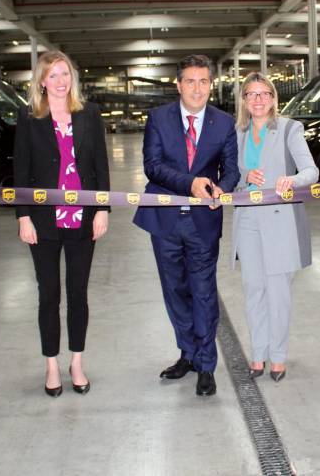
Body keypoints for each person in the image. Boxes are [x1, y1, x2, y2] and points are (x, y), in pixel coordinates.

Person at [133, 54, 239, 396]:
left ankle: (206, 365)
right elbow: (153, 166)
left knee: (204, 292)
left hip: (203, 222)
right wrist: (190, 183)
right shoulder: (158, 118)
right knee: (175, 291)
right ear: (178, 84)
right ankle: (188, 353)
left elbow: (231, 169)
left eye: (204, 81)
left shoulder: (223, 123)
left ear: (211, 84)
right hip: (164, 221)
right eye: (190, 81)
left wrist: (224, 187)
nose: (198, 89)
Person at [14, 50, 110, 397]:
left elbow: (101, 165)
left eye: (65, 74)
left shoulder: (90, 115)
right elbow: (21, 171)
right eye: (52, 75)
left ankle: (77, 361)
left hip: (82, 220)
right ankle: (52, 364)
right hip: (43, 222)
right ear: (41, 80)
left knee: (78, 294)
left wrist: (102, 209)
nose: (60, 81)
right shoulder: (29, 118)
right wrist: (23, 216)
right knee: (49, 294)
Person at [230, 72, 318, 382]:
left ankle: (278, 357)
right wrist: (244, 179)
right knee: (254, 289)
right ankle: (258, 355)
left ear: (273, 98)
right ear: (244, 100)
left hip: (280, 221)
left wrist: (291, 180)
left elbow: (311, 170)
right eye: (251, 94)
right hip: (248, 220)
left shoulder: (289, 129)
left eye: (264, 93)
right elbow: (231, 177)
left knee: (277, 292)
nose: (258, 100)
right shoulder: (236, 133)